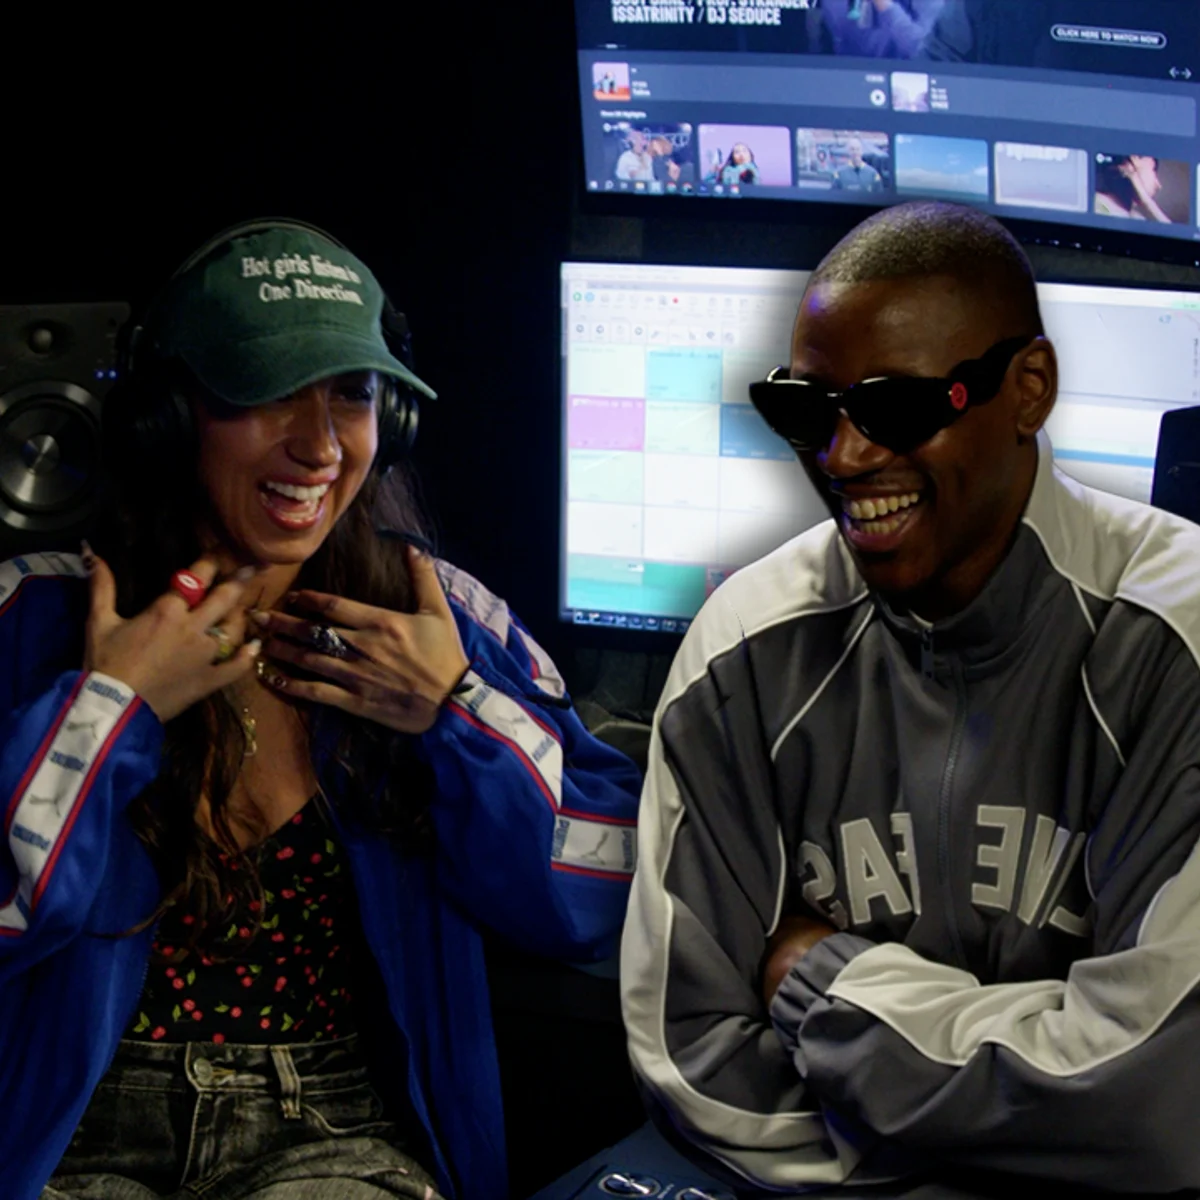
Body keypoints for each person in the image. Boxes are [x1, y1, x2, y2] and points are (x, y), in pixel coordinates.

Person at [1, 219, 642, 1200]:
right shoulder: (29, 614)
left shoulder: (442, 621)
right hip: (70, 1140)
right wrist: (108, 712)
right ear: (169, 416)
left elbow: (604, 889)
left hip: (331, 1132)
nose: (319, 445)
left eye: (354, 394)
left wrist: (457, 711)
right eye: (267, 394)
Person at [621, 201, 1200, 1192]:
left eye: (895, 408)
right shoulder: (743, 655)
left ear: (1027, 389)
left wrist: (825, 985)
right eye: (807, 411)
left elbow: (1165, 1092)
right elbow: (693, 1054)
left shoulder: (1172, 646)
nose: (843, 457)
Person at [816, 0, 947, 58]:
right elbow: (846, 39)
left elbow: (918, 48)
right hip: (852, 78)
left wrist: (884, 5)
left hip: (911, 78)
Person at [1094, 154, 1174, 223]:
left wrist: (1146, 199)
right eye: (1153, 170)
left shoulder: (1137, 218)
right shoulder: (1096, 204)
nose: (1158, 185)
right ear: (1134, 160)